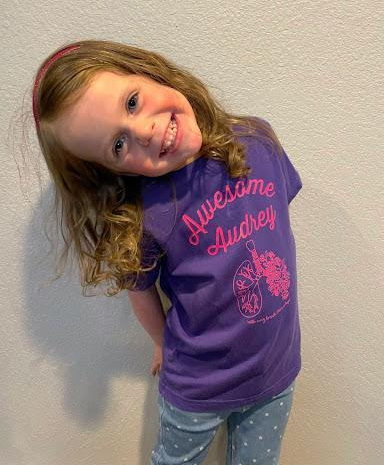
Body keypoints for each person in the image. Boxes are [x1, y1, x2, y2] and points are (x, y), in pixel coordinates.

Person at [31, 40, 303, 464]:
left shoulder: (259, 143)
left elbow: (273, 229)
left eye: (133, 101)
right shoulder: (147, 214)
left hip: (276, 371)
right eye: (117, 146)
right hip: (198, 387)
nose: (143, 131)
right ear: (113, 172)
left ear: (151, 71)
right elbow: (141, 291)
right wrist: (162, 343)